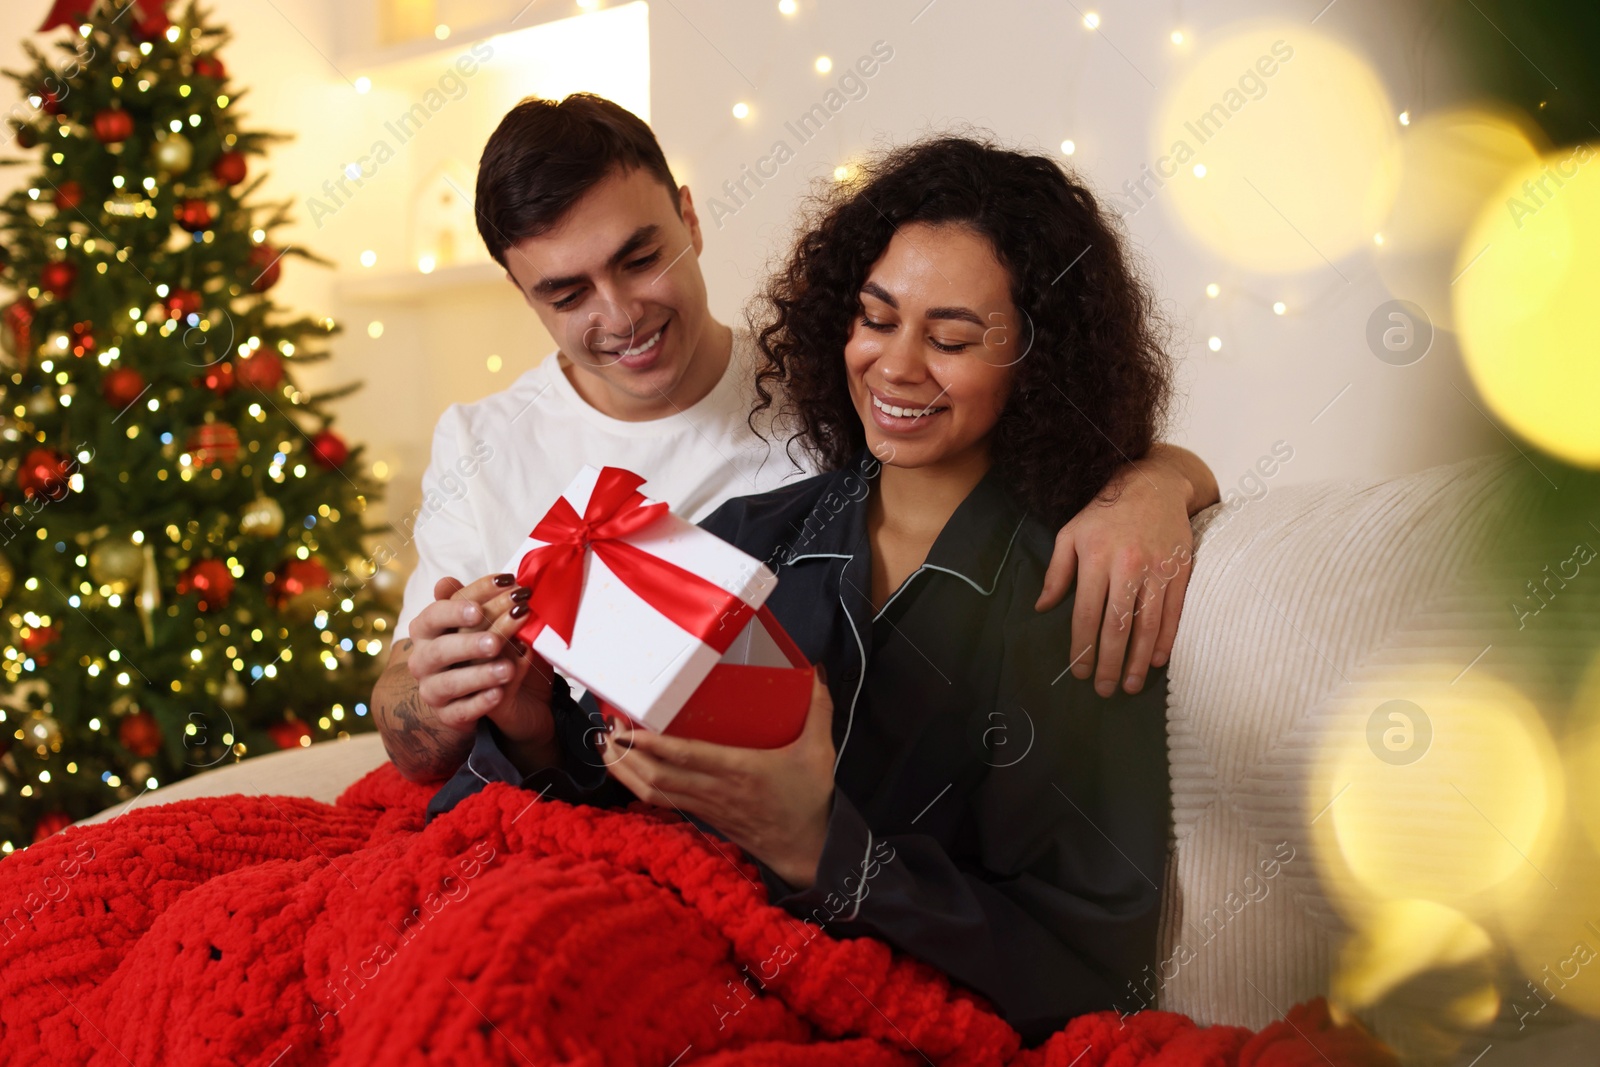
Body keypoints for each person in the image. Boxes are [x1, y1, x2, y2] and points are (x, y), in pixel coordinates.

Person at [425, 134, 1174, 1047]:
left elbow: (1091, 958)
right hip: (652, 953)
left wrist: (812, 843)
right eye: (876, 318)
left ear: (1039, 358)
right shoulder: (755, 532)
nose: (897, 367)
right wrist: (537, 727)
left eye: (951, 338)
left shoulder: (1074, 589)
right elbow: (590, 782)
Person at [371, 93, 1217, 793]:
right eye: (567, 294)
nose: (621, 314)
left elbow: (1037, 434)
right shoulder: (481, 442)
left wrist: (1151, 482)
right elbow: (406, 726)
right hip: (570, 805)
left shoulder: (837, 394)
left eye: (639, 259)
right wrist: (442, 693)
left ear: (689, 217)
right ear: (524, 296)